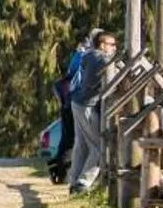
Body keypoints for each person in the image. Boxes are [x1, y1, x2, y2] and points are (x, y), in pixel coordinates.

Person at [67, 31, 118, 193]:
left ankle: (74, 180)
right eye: (112, 45)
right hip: (87, 106)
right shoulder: (101, 58)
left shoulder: (88, 55)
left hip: (78, 102)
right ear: (102, 45)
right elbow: (113, 71)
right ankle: (83, 183)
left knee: (81, 145)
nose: (114, 48)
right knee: (99, 147)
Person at [50, 30, 102, 185]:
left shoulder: (79, 54)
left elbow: (71, 73)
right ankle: (80, 181)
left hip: (70, 100)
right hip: (83, 101)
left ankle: (68, 177)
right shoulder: (92, 56)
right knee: (93, 144)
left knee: (74, 141)